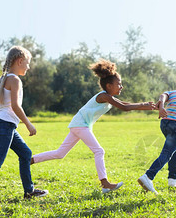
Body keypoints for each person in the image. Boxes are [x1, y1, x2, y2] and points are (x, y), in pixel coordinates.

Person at [31, 59, 156, 194]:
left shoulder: (108, 97)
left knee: (60, 153)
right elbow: (124, 107)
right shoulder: (104, 96)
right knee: (99, 151)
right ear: (108, 85)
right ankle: (105, 183)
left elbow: (124, 103)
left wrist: (145, 106)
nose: (121, 86)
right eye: (119, 84)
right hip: (80, 125)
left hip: (80, 124)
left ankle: (30, 160)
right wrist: (143, 104)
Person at [0, 46, 48, 204]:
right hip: (6, 125)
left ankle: (29, 191)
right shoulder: (14, 79)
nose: (28, 66)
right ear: (20, 61)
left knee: (25, 154)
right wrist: (28, 124)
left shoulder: (4, 78)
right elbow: (15, 106)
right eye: (27, 63)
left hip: (5, 125)